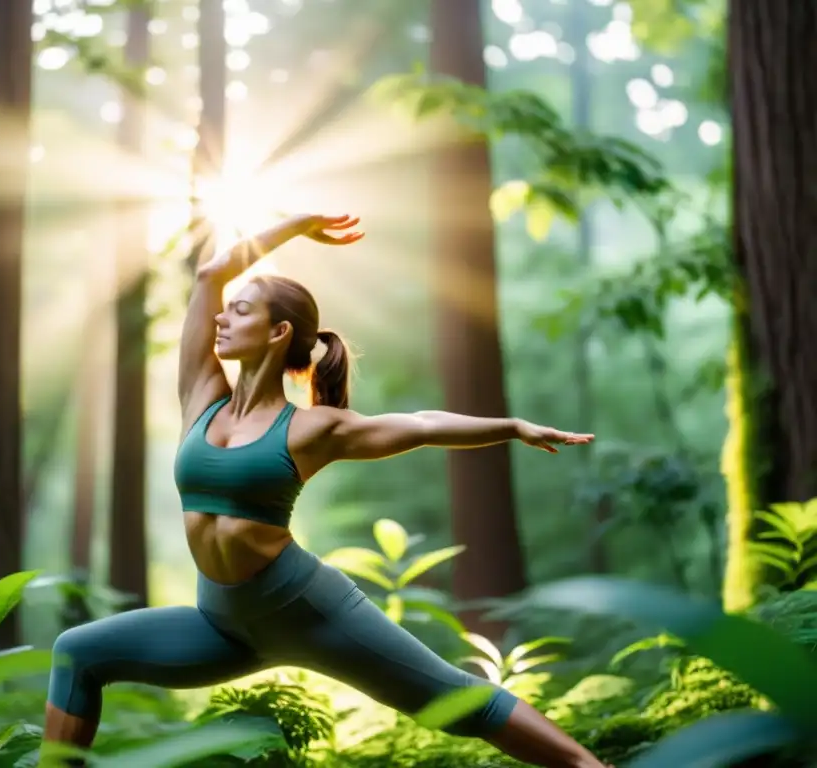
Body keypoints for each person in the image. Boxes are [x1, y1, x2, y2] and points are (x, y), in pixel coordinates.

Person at [43, 214, 612, 768]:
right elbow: (208, 273)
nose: (221, 318)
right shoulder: (202, 395)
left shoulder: (312, 428)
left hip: (305, 609)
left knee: (450, 699)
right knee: (78, 652)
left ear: (278, 331)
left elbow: (420, 424)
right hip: (222, 622)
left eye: (241, 310)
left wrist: (511, 428)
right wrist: (295, 225)